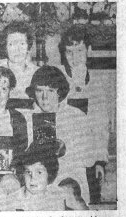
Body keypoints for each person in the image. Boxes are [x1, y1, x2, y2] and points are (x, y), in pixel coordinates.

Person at [24, 65, 99, 204]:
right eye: (40, 91)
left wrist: (67, 149)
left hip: (69, 177)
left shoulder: (76, 116)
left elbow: (90, 159)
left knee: (64, 191)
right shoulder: (27, 119)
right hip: (37, 178)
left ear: (60, 92)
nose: (45, 97)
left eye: (50, 91)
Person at [58, 26, 109, 203]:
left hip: (88, 158)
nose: (74, 57)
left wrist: (100, 162)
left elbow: (101, 127)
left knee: (90, 201)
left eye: (79, 50)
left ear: (89, 50)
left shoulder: (98, 85)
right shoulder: (58, 79)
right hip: (64, 158)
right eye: (69, 52)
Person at [0, 142, 88, 211]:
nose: (32, 178)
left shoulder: (60, 194)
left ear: (49, 174)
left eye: (39, 172)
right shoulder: (12, 201)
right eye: (28, 172)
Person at [0, 21, 38, 109]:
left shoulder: (38, 73)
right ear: (5, 47)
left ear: (28, 46)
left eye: (22, 44)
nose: (17, 49)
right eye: (12, 44)